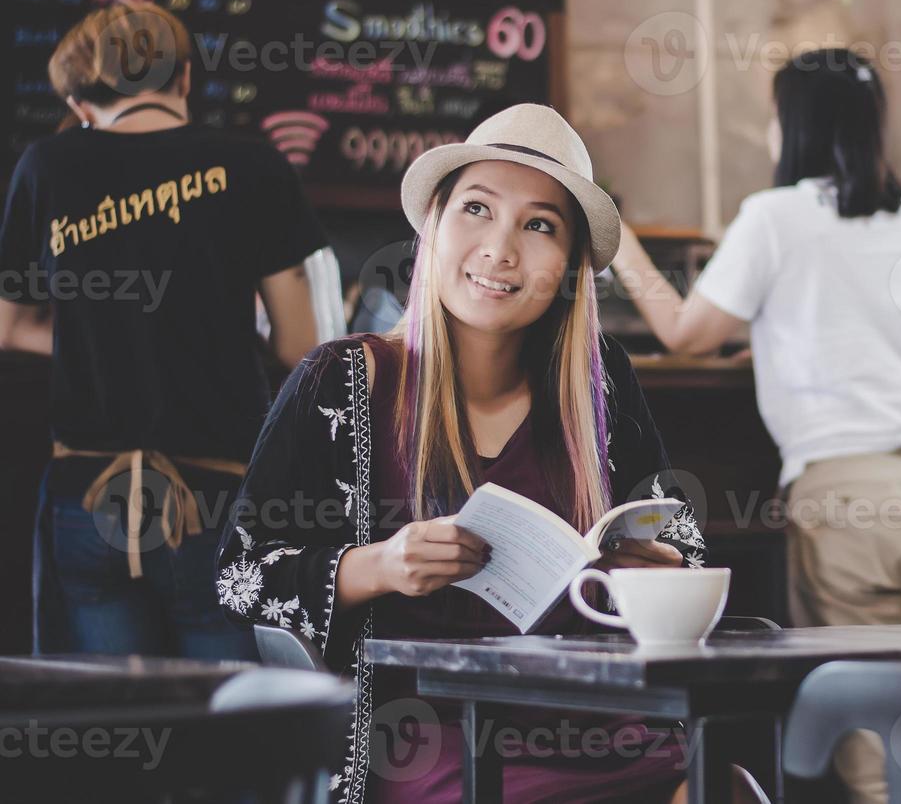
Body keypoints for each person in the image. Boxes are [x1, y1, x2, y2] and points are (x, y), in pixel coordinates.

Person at [215, 104, 764, 804]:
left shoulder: (602, 379)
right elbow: (239, 573)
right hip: (421, 728)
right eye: (477, 209)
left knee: (724, 784)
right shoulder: (341, 380)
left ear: (569, 265)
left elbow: (677, 534)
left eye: (539, 225)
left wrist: (652, 567)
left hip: (592, 718)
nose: (501, 249)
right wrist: (379, 565)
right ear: (433, 226)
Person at [613, 48, 901, 803]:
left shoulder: (775, 216)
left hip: (852, 496)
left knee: (871, 748)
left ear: (790, 123)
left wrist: (616, 235)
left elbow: (686, 332)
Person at [0, 0, 328, 658]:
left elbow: (8, 326)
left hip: (87, 499)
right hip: (215, 498)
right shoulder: (254, 165)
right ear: (183, 81)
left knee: (118, 731)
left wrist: (91, 338)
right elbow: (300, 347)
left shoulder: (47, 166)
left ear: (83, 102)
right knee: (232, 730)